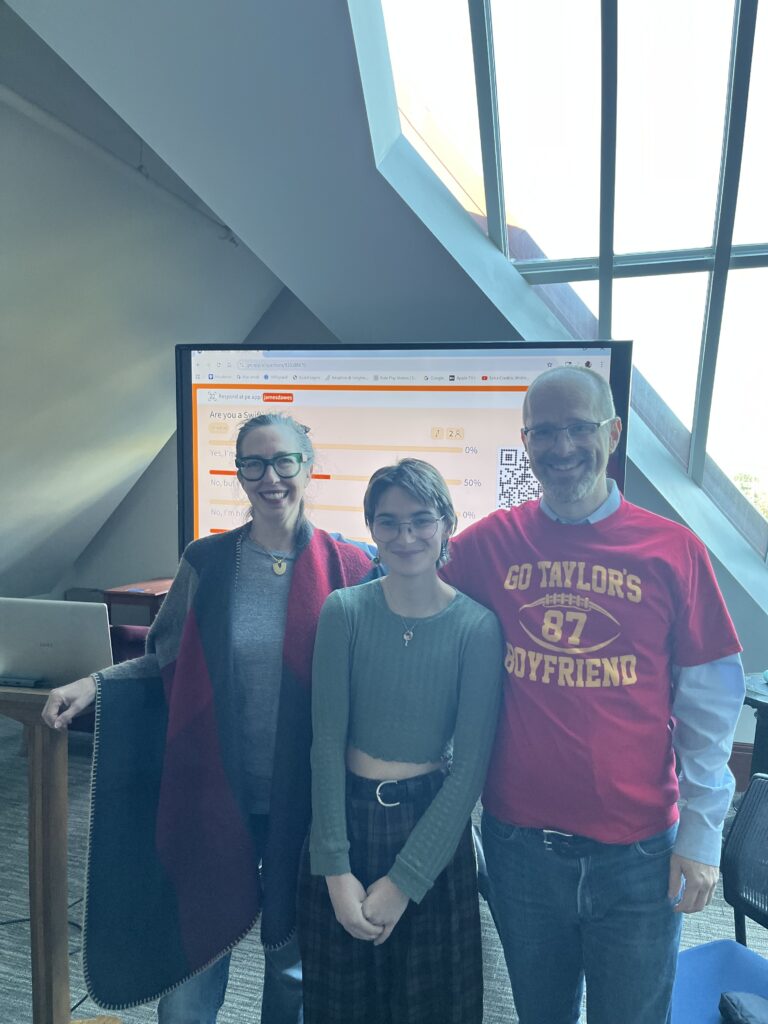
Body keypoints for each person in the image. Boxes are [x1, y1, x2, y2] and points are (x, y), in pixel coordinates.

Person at [41, 412, 378, 1024]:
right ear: (239, 474)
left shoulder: (351, 567)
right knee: (192, 956)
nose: (269, 476)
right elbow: (163, 657)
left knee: (295, 966)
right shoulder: (209, 561)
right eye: (253, 463)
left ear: (308, 465)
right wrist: (93, 683)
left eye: (283, 461)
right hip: (215, 790)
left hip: (308, 801)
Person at [440, 366, 746, 1024]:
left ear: (614, 432)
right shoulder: (490, 543)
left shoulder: (674, 550)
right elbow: (409, 587)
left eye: (578, 428)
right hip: (520, 850)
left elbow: (711, 708)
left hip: (637, 856)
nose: (561, 447)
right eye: (543, 432)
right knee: (541, 1016)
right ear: (526, 443)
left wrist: (702, 836)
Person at [299, 459, 503, 1024]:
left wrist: (404, 882)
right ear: (371, 528)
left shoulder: (477, 628)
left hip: (430, 829)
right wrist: (335, 871)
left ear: (444, 523)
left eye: (420, 520)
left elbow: (468, 772)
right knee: (342, 1006)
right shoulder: (344, 612)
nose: (406, 536)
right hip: (346, 822)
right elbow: (325, 745)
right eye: (388, 522)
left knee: (432, 1007)